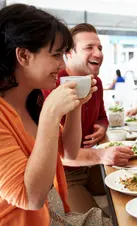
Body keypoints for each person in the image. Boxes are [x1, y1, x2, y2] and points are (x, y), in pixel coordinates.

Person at [0, 4, 113, 225]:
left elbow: (68, 152)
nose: (62, 63)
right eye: (56, 55)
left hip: (49, 211)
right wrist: (51, 115)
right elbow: (30, 198)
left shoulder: (32, 101)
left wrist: (76, 106)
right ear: (23, 55)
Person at [42, 23, 133, 214]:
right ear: (69, 53)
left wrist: (101, 127)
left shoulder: (96, 82)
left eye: (99, 47)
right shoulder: (50, 84)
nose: (98, 53)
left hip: (92, 166)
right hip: (66, 174)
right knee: (98, 219)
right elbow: (59, 153)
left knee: (136, 186)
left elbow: (102, 117)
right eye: (89, 48)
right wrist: (101, 155)